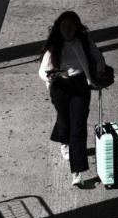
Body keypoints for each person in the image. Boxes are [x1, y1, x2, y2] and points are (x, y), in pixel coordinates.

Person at [38, 11, 106, 188]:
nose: (68, 30)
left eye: (71, 26)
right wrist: (50, 77)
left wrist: (99, 74)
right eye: (64, 26)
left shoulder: (84, 41)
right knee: (64, 118)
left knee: (78, 126)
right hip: (60, 87)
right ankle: (63, 140)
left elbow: (99, 58)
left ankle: (77, 172)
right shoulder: (55, 46)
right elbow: (42, 71)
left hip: (80, 85)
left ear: (77, 27)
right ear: (59, 28)